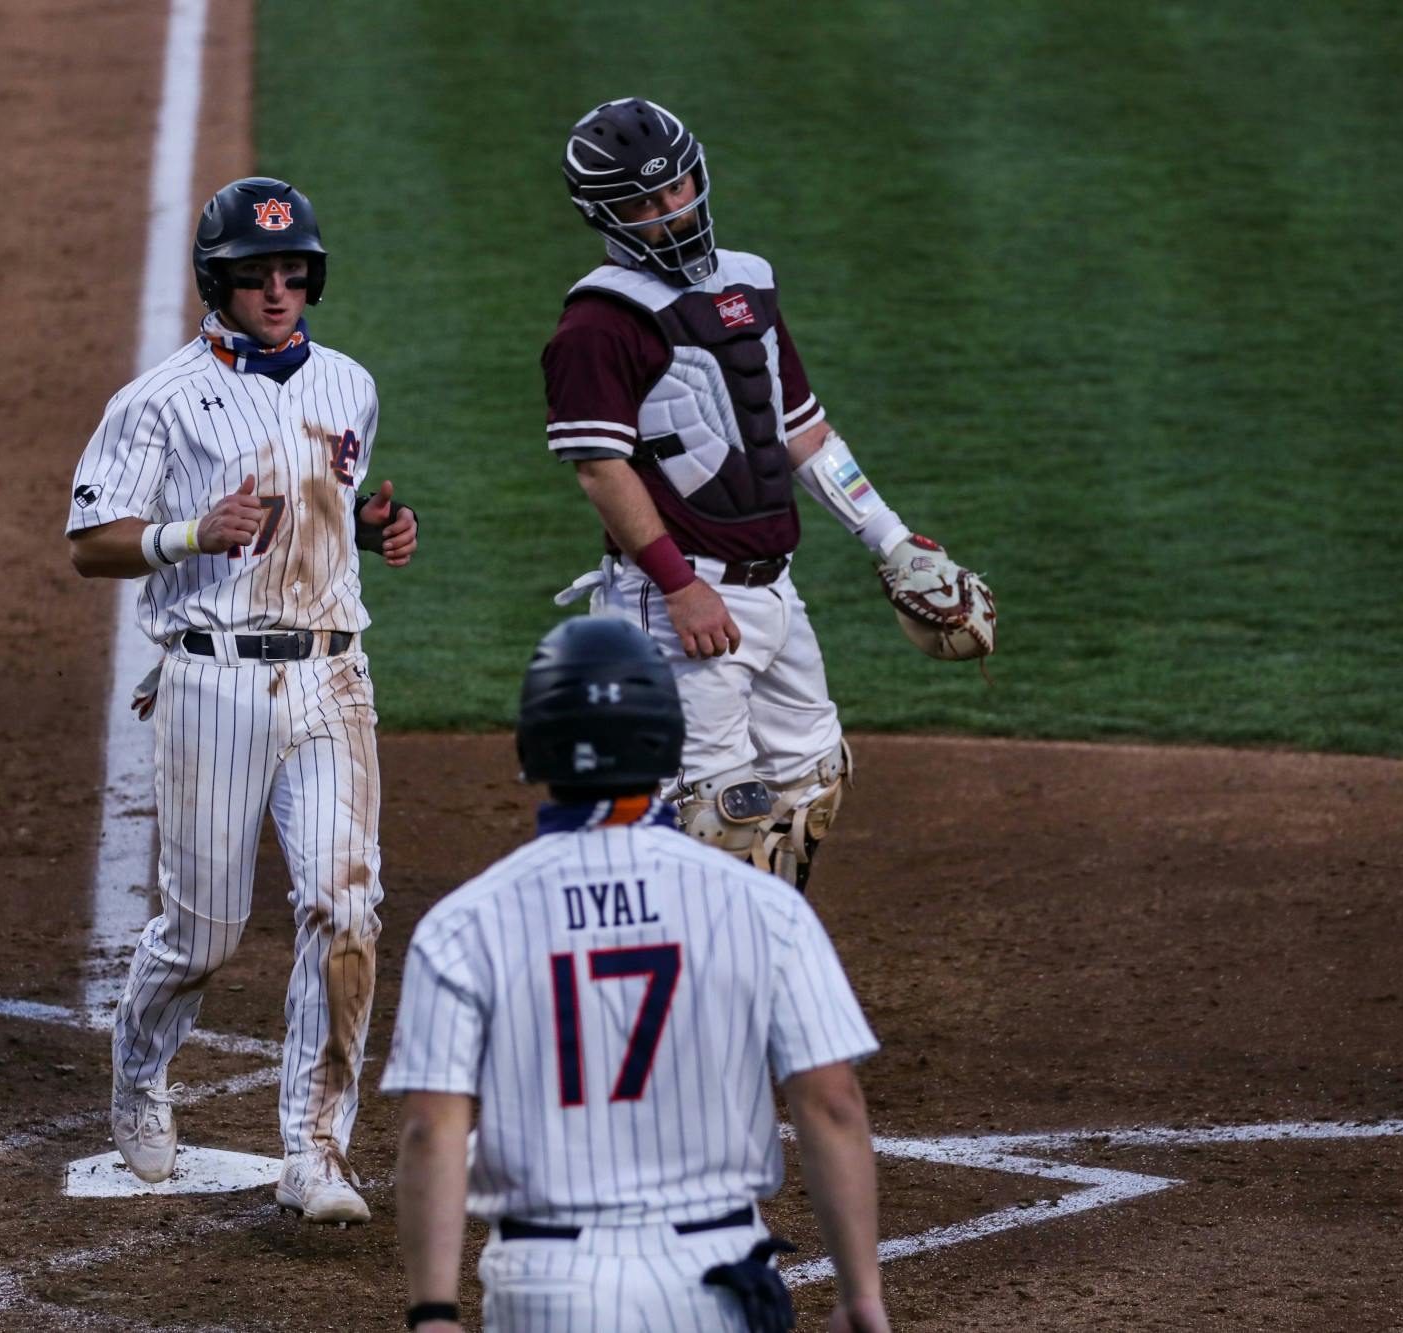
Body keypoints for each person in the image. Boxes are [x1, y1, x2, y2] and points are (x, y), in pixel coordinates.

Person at [65, 176, 418, 1224]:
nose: (277, 290)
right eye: (256, 276)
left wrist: (377, 530)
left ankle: (314, 1150)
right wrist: (189, 534)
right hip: (211, 680)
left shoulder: (347, 383)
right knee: (201, 932)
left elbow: (328, 500)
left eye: (293, 272)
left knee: (343, 907)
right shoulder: (157, 400)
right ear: (216, 282)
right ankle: (138, 1070)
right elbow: (92, 544)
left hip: (331, 676)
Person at [384, 616, 891, 1333]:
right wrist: (860, 1295)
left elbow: (433, 1128)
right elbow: (833, 1101)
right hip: (714, 1278)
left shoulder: (464, 923)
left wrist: (433, 1312)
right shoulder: (762, 905)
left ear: (535, 744)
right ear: (667, 739)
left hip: (548, 1287)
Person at [544, 97, 995, 892]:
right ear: (606, 216)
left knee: (809, 784)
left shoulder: (749, 284)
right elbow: (600, 469)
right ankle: (680, 986)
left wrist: (891, 538)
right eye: (646, 205)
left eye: (680, 188)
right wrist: (678, 587)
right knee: (718, 813)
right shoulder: (597, 323)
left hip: (772, 585)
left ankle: (753, 959)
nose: (673, 212)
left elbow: (805, 431)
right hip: (678, 595)